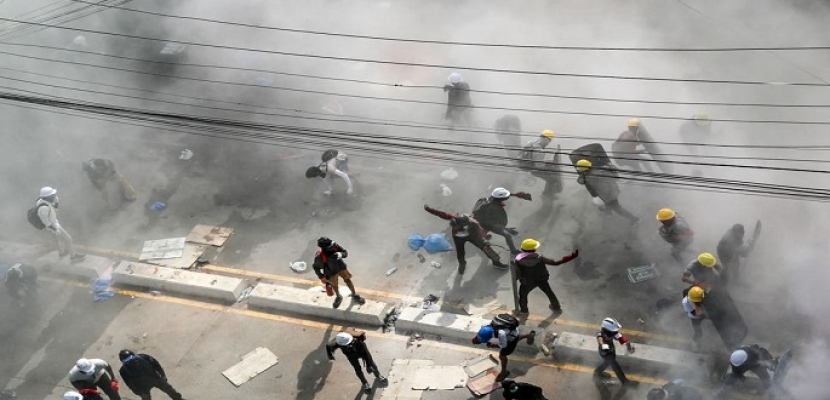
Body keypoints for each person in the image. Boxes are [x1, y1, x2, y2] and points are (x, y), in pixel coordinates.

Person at [424, 205, 508, 273]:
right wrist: (429, 209)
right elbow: (440, 213)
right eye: (455, 227)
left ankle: (496, 262)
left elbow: (480, 230)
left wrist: (483, 239)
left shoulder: (472, 222)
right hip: (458, 238)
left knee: (486, 247)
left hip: (472, 234)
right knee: (460, 252)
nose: (457, 228)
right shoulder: (453, 218)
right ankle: (462, 264)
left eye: (459, 227)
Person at [512, 238, 578, 315]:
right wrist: (571, 256)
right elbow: (555, 263)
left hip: (527, 281)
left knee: (523, 295)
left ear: (522, 249)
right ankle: (556, 306)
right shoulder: (540, 258)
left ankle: (524, 311)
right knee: (549, 292)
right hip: (541, 279)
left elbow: (517, 272)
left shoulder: (518, 260)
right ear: (534, 249)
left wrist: (517, 278)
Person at [575, 160, 639, 224]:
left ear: (584, 170)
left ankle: (634, 219)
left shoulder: (590, 177)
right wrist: (610, 166)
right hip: (612, 190)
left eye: (580, 170)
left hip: (608, 195)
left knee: (617, 209)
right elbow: (614, 175)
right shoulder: (599, 169)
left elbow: (581, 181)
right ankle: (608, 212)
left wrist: (582, 175)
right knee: (607, 205)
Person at [472, 316, 535, 381]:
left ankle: (504, 372)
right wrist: (477, 338)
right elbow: (481, 332)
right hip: (512, 332)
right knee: (514, 339)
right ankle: (528, 335)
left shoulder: (501, 333)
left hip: (512, 335)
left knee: (502, 355)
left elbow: (503, 345)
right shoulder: (484, 324)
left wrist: (493, 345)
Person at [472, 187, 532, 254]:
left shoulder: (493, 198)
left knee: (486, 237)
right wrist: (507, 229)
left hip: (485, 221)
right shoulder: (494, 208)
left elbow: (501, 195)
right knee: (507, 235)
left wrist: (516, 195)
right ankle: (512, 251)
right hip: (484, 224)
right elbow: (493, 224)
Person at [326, 328, 387, 393]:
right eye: (347, 345)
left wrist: (368, 365)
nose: (350, 345)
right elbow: (328, 346)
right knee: (357, 369)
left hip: (362, 353)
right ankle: (365, 383)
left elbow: (367, 355)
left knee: (372, 364)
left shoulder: (359, 341)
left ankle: (378, 375)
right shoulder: (339, 343)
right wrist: (330, 355)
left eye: (350, 343)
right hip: (351, 357)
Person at [312, 237, 366, 309]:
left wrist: (341, 254)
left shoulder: (335, 246)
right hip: (331, 272)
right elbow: (316, 267)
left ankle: (354, 294)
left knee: (348, 280)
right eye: (330, 246)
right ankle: (338, 296)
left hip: (341, 268)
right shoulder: (319, 256)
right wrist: (321, 277)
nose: (332, 247)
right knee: (334, 285)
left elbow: (345, 252)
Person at [36, 187, 85, 262]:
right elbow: (46, 222)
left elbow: (55, 209)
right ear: (47, 197)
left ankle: (61, 252)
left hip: (52, 224)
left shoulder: (44, 202)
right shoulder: (43, 208)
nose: (54, 196)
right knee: (68, 239)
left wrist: (56, 202)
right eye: (52, 195)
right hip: (52, 226)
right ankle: (73, 256)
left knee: (56, 240)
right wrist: (55, 229)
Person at [118, 349, 183, 400]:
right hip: (142, 386)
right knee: (146, 398)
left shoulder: (144, 357)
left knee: (169, 389)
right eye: (127, 360)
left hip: (154, 378)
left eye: (132, 358)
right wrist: (138, 392)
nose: (131, 361)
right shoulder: (123, 371)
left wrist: (163, 375)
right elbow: (129, 383)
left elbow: (156, 364)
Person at [594, 317, 638, 387]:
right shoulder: (600, 334)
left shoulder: (612, 333)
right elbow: (600, 342)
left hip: (611, 350)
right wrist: (605, 346)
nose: (615, 332)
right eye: (613, 331)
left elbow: (621, 338)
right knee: (615, 366)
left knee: (607, 362)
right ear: (607, 330)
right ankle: (624, 381)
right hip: (605, 353)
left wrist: (628, 346)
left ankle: (597, 372)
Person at [518, 130, 562, 199]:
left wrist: (547, 162)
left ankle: (547, 193)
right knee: (552, 179)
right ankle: (546, 194)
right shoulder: (540, 150)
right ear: (545, 138)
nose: (548, 143)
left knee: (551, 173)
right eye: (549, 140)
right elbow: (538, 166)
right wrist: (549, 165)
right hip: (534, 170)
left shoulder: (530, 143)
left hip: (525, 166)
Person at [681, 286, 707, 351]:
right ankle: (694, 344)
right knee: (699, 333)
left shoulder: (698, 292)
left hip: (701, 312)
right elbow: (695, 313)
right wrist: (706, 315)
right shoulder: (686, 302)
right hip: (695, 317)